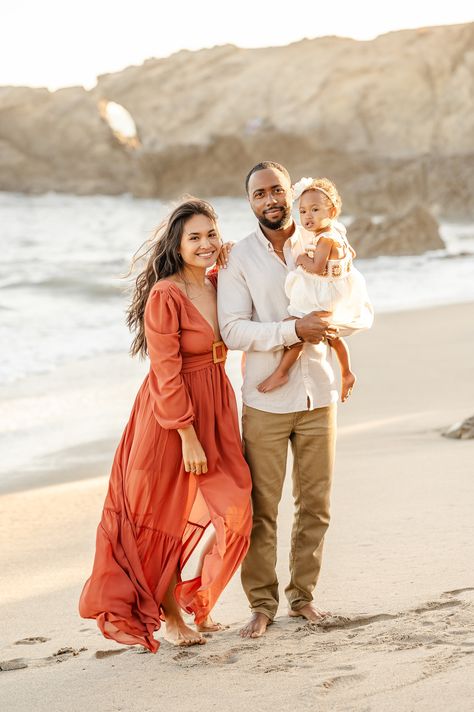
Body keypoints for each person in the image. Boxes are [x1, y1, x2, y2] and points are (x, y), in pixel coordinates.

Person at [79, 198, 253, 653]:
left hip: (216, 398)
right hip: (171, 416)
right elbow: (165, 369)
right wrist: (187, 434)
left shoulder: (220, 282)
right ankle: (171, 613)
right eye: (194, 237)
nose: (205, 244)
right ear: (177, 244)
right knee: (166, 516)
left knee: (236, 503)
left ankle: (195, 596)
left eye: (211, 234)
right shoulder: (166, 294)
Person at [217, 162, 373, 639]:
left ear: (292, 192)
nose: (271, 199)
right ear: (250, 202)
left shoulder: (325, 239)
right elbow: (233, 329)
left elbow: (358, 308)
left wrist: (325, 326)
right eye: (259, 193)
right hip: (265, 402)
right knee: (261, 509)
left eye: (277, 190)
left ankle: (303, 598)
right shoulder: (238, 258)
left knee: (316, 505)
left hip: (320, 393)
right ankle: (261, 605)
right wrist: (293, 330)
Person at [257, 176, 372, 401]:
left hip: (324, 295)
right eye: (303, 211)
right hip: (333, 292)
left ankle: (281, 373)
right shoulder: (337, 233)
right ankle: (347, 372)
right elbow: (350, 255)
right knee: (332, 336)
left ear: (331, 211)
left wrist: (301, 259)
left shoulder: (325, 240)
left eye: (315, 209)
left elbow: (318, 268)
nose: (308, 216)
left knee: (299, 329)